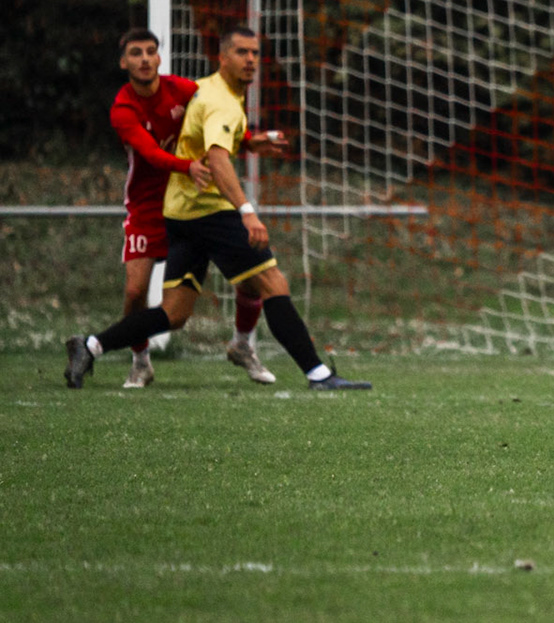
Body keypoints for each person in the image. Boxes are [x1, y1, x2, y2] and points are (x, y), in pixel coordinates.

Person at [66, 27, 370, 391]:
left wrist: (249, 142)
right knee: (272, 283)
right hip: (209, 211)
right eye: (241, 52)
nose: (251, 60)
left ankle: (91, 345)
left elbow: (206, 137)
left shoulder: (201, 91)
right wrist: (246, 210)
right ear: (222, 57)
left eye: (255, 53)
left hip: (179, 212)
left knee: (174, 314)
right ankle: (317, 374)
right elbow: (216, 157)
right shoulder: (220, 100)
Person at [110, 28, 282, 387]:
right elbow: (152, 154)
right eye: (136, 53)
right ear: (123, 62)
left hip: (192, 203)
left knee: (251, 274)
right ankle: (140, 360)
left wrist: (249, 142)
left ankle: (243, 344)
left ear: (159, 58)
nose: (144, 59)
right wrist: (186, 165)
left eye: (151, 52)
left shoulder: (186, 90)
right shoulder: (123, 108)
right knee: (134, 291)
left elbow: (218, 119)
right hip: (147, 207)